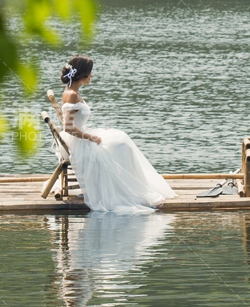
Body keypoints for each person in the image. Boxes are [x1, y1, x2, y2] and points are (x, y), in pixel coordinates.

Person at [46, 55, 175, 214]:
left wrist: (92, 131)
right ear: (82, 74)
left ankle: (130, 184)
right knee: (120, 146)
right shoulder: (72, 94)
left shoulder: (72, 91)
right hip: (78, 143)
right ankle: (125, 187)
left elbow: (75, 124)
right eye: (90, 72)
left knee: (121, 138)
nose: (92, 76)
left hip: (81, 136)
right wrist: (93, 137)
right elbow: (69, 127)